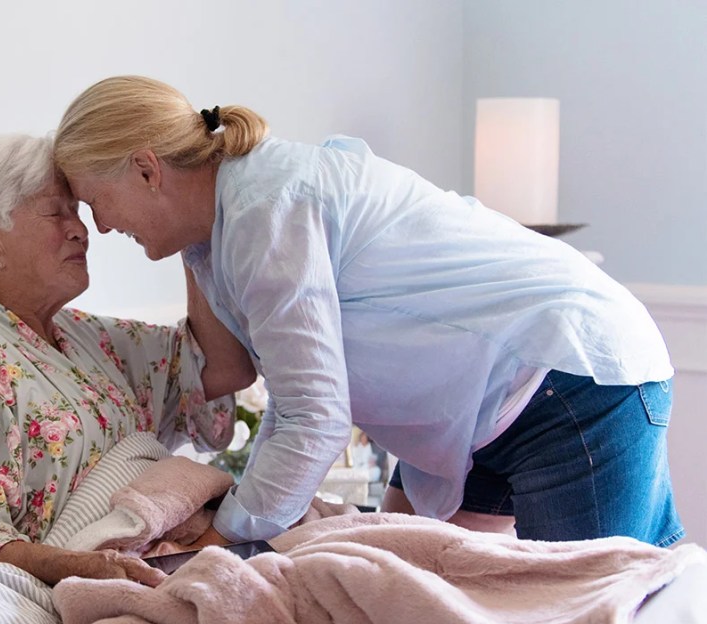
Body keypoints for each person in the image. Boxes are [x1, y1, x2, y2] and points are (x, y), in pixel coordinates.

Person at [52, 75, 682, 547]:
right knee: (411, 588)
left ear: (145, 169)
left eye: (96, 202)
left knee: (588, 614)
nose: (100, 227)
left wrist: (230, 531)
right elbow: (276, 387)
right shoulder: (217, 235)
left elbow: (314, 417)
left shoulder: (268, 213)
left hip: (563, 376)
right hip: (483, 409)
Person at [0, 133, 254, 587]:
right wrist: (90, 569)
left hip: (184, 547)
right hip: (111, 574)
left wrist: (189, 230)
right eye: (55, 212)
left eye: (78, 211)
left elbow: (219, 369)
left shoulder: (85, 335)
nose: (80, 230)